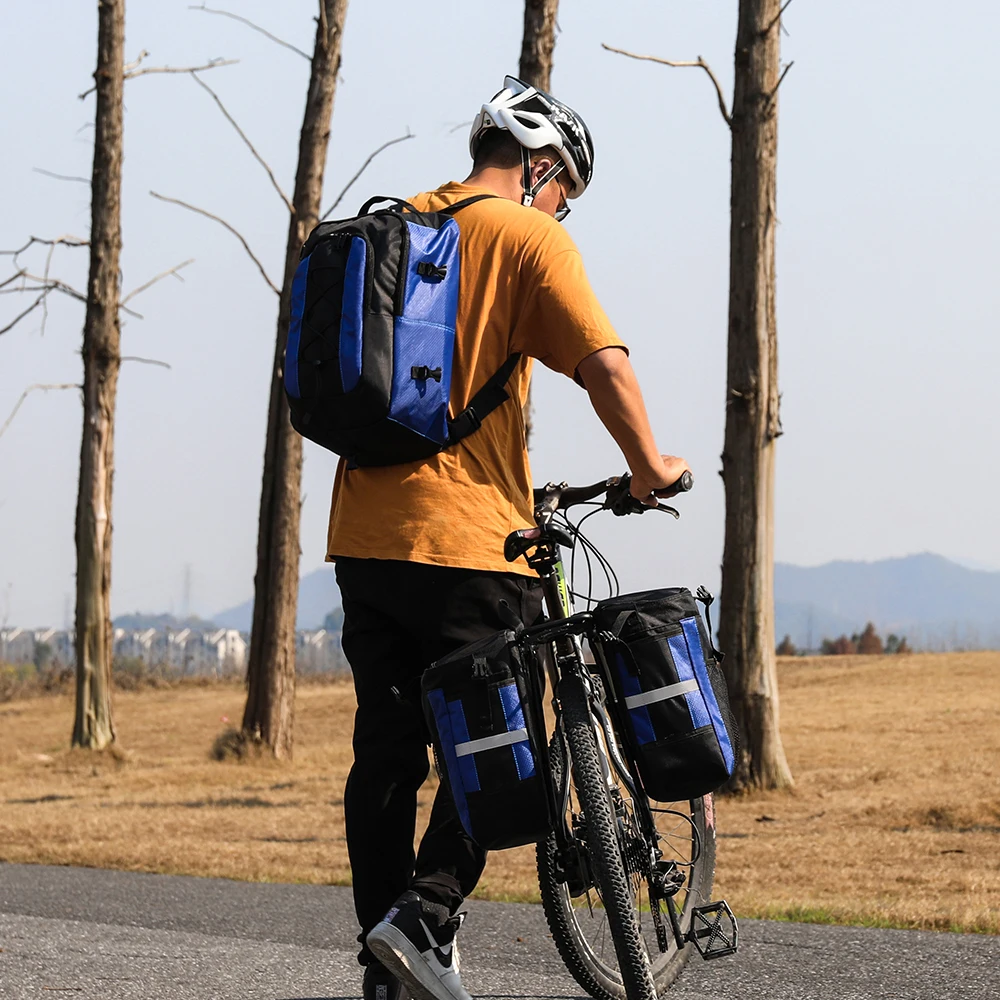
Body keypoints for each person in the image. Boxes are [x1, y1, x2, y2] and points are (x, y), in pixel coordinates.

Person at [327, 76, 691, 1000]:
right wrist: (650, 465)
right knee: (503, 742)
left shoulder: (398, 223)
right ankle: (427, 914)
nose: (563, 208)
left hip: (363, 536)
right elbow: (605, 365)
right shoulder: (528, 237)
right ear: (540, 167)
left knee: (386, 753)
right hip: (468, 541)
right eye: (566, 190)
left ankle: (390, 960)